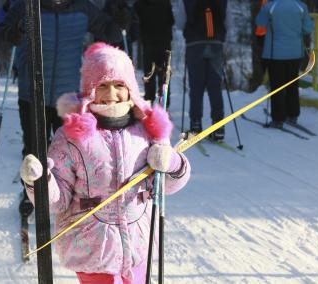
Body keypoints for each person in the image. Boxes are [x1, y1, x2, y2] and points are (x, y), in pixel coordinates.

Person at [20, 42, 191, 283]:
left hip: (138, 246)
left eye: (119, 85)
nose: (112, 94)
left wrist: (171, 163)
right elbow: (58, 201)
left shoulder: (146, 132)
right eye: (103, 85)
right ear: (90, 89)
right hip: (92, 248)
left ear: (131, 88)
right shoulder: (72, 137)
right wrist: (39, 181)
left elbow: (164, 187)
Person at [0, 0, 131, 216]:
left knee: (71, 152)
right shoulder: (26, 6)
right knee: (34, 150)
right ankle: (32, 195)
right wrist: (13, 33)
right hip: (32, 93)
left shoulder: (83, 7)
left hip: (69, 96)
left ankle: (67, 196)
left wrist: (122, 17)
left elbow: (111, 33)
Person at [256, 0, 314, 128]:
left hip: (275, 54)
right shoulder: (301, 6)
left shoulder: (270, 6)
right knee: (292, 84)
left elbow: (260, 23)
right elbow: (307, 28)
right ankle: (293, 114)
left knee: (277, 86)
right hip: (295, 53)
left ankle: (278, 118)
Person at [178, 0, 227, 141]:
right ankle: (218, 126)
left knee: (196, 86)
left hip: (194, 44)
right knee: (215, 86)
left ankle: (195, 125)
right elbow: (228, 21)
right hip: (216, 43)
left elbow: (180, 22)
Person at [134, 0, 174, 108]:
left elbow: (136, 14)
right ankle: (164, 106)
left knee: (149, 76)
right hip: (164, 43)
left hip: (149, 43)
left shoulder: (141, 4)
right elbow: (171, 20)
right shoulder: (166, 3)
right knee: (164, 76)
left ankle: (149, 103)